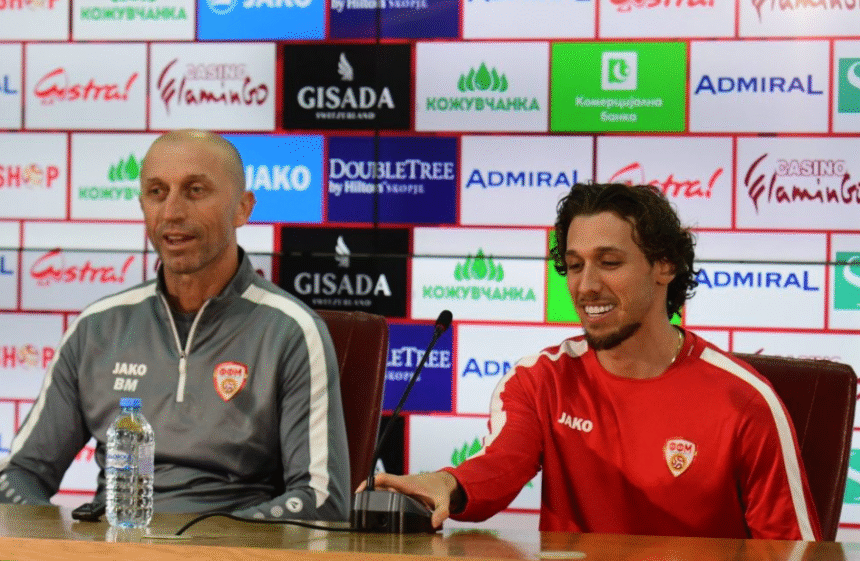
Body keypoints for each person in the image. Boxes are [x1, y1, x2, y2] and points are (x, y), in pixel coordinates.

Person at [364, 182, 821, 540]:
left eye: (609, 262)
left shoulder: (746, 401)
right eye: (576, 265)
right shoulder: (540, 380)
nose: (586, 286)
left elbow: (794, 549)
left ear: (664, 266)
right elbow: (499, 464)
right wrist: (447, 483)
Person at [0, 130, 350, 521]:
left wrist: (199, 541)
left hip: (229, 547)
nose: (171, 212)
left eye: (195, 190)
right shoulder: (96, 328)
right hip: (113, 543)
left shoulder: (292, 331)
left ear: (242, 208)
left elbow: (322, 499)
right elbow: (17, 476)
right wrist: (65, 539)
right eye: (157, 192)